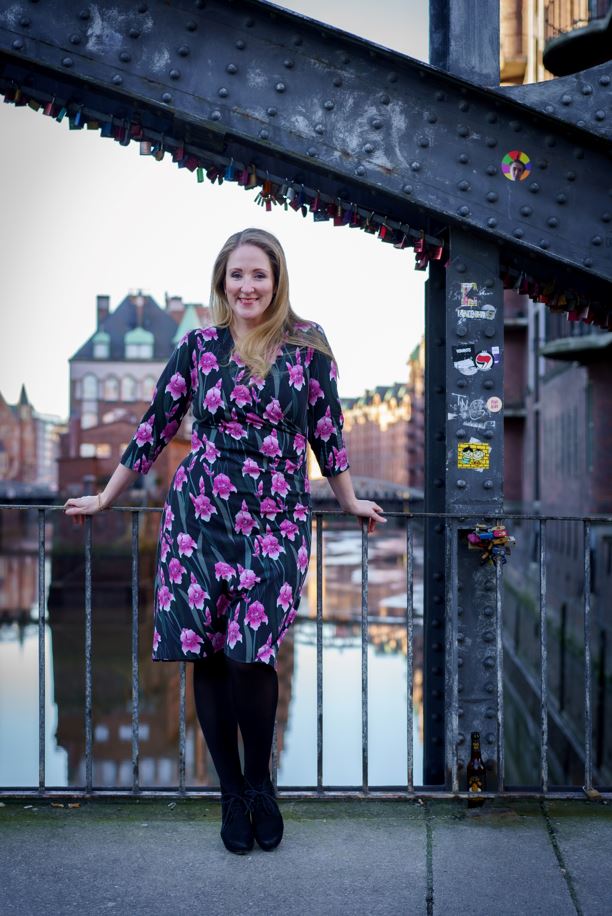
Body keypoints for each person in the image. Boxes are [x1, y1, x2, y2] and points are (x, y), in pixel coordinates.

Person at [64, 227, 386, 854]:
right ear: (222, 281)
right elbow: (155, 426)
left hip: (277, 517)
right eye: (236, 275)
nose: (247, 286)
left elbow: (328, 431)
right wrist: (106, 496)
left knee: (250, 654)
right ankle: (230, 794)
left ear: (277, 280)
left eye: (258, 274)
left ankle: (260, 783)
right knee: (208, 654)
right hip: (200, 517)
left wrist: (347, 499)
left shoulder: (309, 347)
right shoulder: (198, 347)